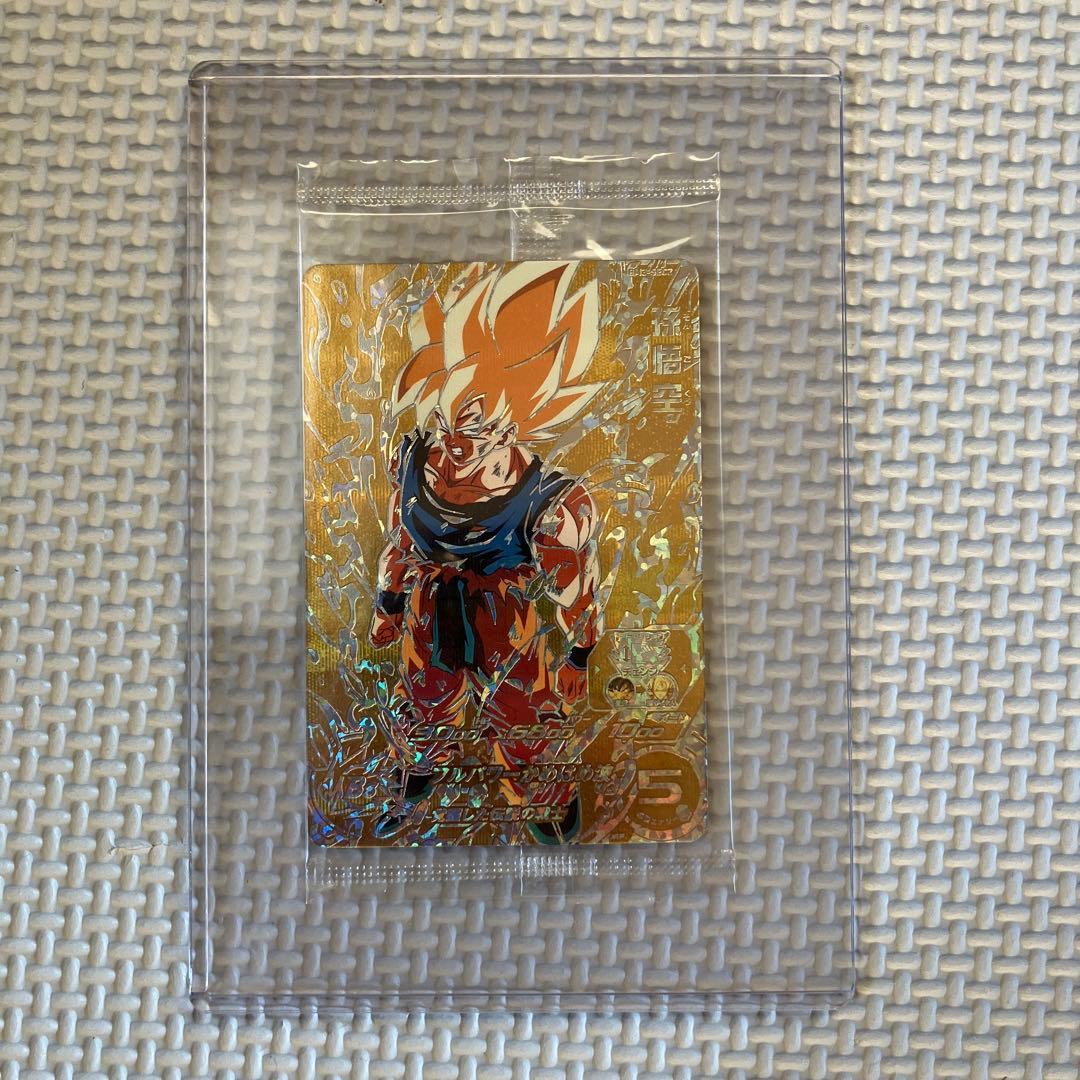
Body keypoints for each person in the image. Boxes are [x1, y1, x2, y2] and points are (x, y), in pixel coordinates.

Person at [369, 262, 603, 844]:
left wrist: (578, 655)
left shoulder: (550, 503)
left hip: (506, 620)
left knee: (524, 717)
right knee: (422, 704)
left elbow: (574, 585)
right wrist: (389, 604)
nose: (450, 446)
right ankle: (416, 773)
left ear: (506, 426)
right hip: (428, 613)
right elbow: (400, 540)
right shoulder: (414, 460)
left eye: (468, 431)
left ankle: (542, 796)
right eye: (442, 425)